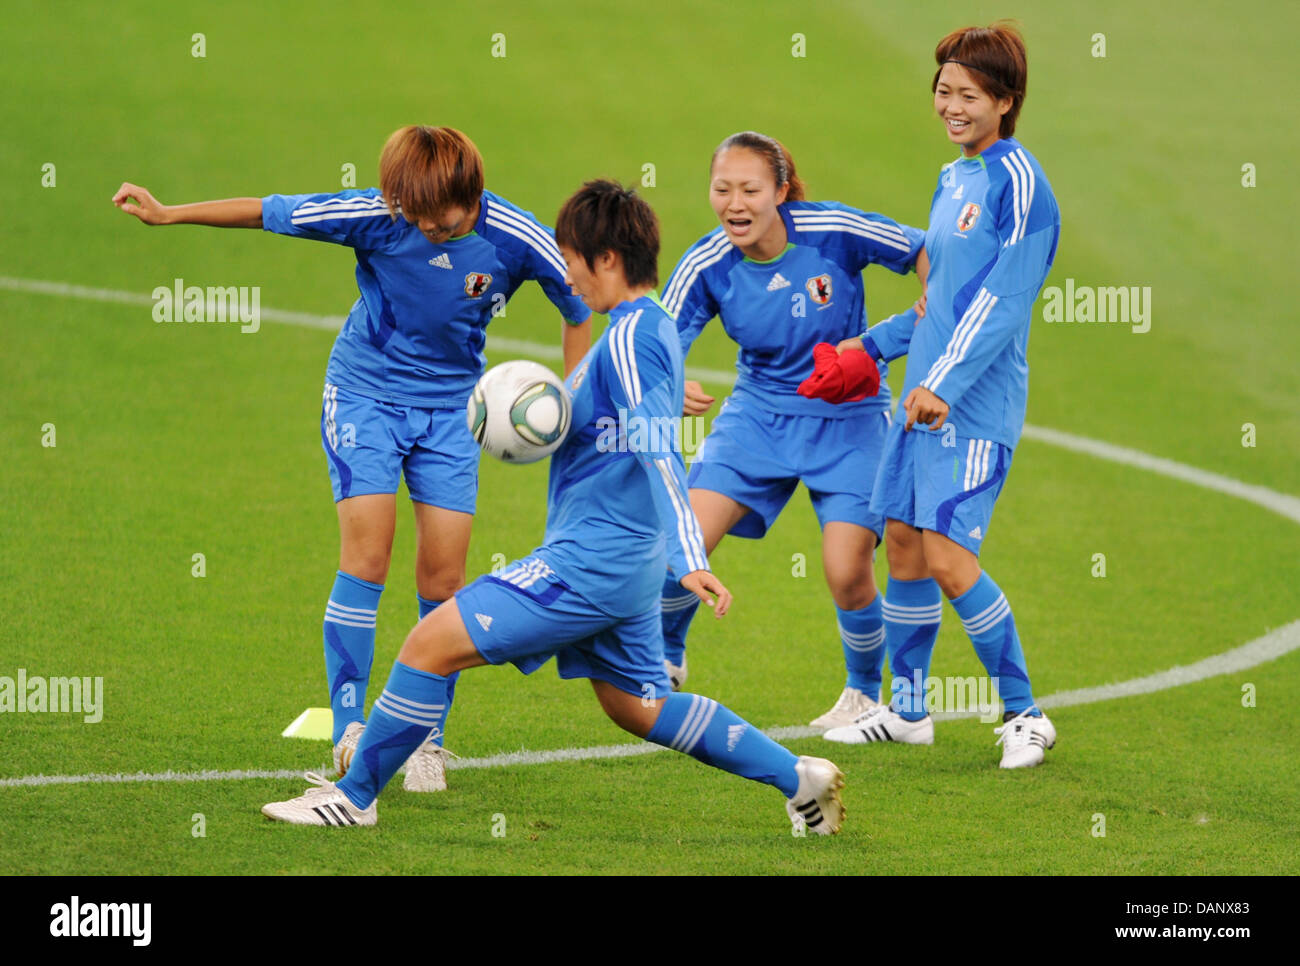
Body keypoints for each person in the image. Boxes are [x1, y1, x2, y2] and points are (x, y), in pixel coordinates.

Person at [260, 180, 847, 833]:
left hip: (589, 566)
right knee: (638, 707)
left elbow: (659, 452)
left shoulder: (628, 339)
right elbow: (622, 416)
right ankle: (799, 778)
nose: (567, 275)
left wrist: (689, 556)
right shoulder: (643, 330)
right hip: (623, 568)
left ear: (606, 260)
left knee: (428, 644)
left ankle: (353, 797)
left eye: (572, 259)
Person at [114, 126, 591, 790]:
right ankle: (349, 730)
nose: (422, 223)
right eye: (411, 209)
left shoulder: (517, 234)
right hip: (365, 396)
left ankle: (425, 738)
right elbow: (268, 210)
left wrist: (576, 397)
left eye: (438, 215)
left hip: (455, 413)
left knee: (444, 581)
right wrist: (170, 213)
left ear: (470, 192)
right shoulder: (380, 213)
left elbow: (582, 303)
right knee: (366, 558)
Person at [824, 23, 1062, 768]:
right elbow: (942, 300)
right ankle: (910, 711)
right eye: (943, 91)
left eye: (968, 95)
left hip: (971, 408)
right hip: (922, 397)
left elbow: (1003, 300)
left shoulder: (1019, 184)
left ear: (1006, 99)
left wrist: (943, 384)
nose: (950, 106)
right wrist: (876, 345)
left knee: (951, 559)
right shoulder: (952, 176)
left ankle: (1025, 714)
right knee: (902, 547)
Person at [658, 131, 927, 730]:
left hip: (851, 418)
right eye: (722, 188)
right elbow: (658, 337)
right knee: (684, 544)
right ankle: (667, 652)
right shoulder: (708, 262)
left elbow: (927, 254)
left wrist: (896, 336)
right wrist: (669, 384)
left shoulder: (833, 230)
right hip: (757, 417)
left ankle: (862, 693)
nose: (735, 203)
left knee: (845, 568)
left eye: (750, 189)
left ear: (780, 192)